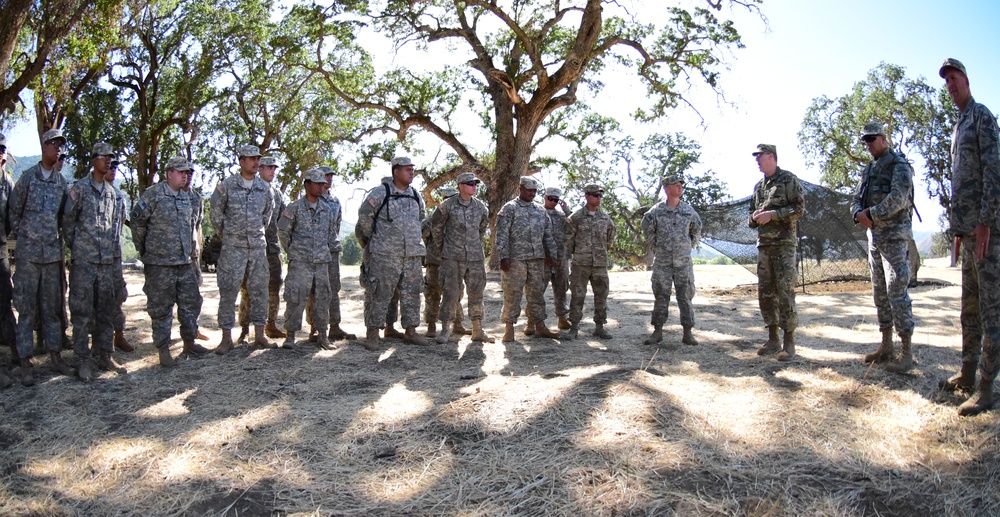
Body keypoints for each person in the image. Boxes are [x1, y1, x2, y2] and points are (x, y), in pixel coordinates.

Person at [937, 58, 1000, 416]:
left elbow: (994, 170)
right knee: (969, 311)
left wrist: (986, 223)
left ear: (967, 80)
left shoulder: (982, 117)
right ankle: (967, 373)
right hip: (968, 233)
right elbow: (960, 185)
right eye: (946, 81)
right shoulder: (959, 125)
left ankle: (987, 388)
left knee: (992, 314)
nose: (951, 84)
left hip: (988, 236)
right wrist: (959, 231)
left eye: (955, 78)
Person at [130, 156, 211, 366]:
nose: (185, 176)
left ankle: (189, 342)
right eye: (181, 172)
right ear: (169, 173)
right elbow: (137, 222)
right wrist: (146, 249)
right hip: (159, 264)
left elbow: (193, 226)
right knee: (161, 308)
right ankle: (163, 349)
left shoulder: (187, 198)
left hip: (184, 262)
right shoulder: (154, 195)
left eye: (187, 172)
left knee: (190, 304)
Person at [8, 128, 72, 386]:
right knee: (25, 310)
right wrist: (25, 238)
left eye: (60, 145)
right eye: (53, 144)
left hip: (51, 257)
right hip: (28, 258)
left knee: (52, 309)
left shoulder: (61, 183)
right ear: (43, 146)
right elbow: (14, 212)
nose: (58, 149)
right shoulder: (27, 178)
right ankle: (25, 362)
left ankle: (55, 357)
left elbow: (64, 218)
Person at [851, 122, 916, 372]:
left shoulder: (899, 166)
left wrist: (872, 214)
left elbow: (898, 199)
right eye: (865, 140)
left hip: (894, 238)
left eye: (872, 139)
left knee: (896, 291)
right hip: (874, 240)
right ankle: (886, 346)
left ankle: (907, 353)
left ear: (884, 139)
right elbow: (856, 198)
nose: (868, 144)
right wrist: (857, 213)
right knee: (880, 293)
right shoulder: (868, 170)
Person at [62, 142, 127, 381]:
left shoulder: (112, 193)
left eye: (111, 157)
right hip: (84, 263)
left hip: (105, 264)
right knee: (82, 312)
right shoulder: (79, 189)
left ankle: (104, 354)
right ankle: (82, 360)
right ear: (93, 160)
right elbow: (68, 225)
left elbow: (113, 229)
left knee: (105, 311)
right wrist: (80, 249)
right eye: (103, 157)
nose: (108, 161)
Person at [355, 157, 428, 350]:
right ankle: (373, 334)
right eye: (407, 169)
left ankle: (410, 331)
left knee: (412, 293)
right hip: (384, 255)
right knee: (379, 293)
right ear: (396, 171)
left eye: (413, 169)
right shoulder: (381, 193)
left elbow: (421, 218)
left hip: (412, 255)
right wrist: (377, 239)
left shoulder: (415, 195)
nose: (411, 172)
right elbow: (364, 217)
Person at [209, 144, 275, 354]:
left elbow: (267, 217)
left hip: (257, 248)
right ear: (241, 161)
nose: (256, 162)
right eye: (251, 158)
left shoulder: (264, 189)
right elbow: (216, 215)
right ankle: (226, 338)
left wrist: (254, 235)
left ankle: (260, 335)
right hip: (233, 248)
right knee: (228, 291)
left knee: (259, 291)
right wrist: (229, 235)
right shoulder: (227, 186)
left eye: (257, 158)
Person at [748, 143, 805, 361]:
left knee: (785, 291)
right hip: (764, 246)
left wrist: (773, 215)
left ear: (771, 156)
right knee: (766, 292)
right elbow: (750, 216)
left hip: (784, 245)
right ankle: (773, 339)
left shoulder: (789, 180)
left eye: (759, 156)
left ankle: (789, 342)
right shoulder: (758, 187)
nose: (757, 160)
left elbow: (798, 209)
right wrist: (755, 217)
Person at [277, 168, 339, 350]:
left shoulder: (327, 209)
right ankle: (290, 336)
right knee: (295, 298)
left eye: (323, 184)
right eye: (317, 184)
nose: (321, 187)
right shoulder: (294, 208)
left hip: (321, 263)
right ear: (307, 185)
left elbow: (330, 234)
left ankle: (322, 336)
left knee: (322, 299)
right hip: (300, 262)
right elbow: (283, 232)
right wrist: (294, 252)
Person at [430, 172, 494, 344]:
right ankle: (445, 329)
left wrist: (474, 244)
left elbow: (482, 229)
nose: (474, 186)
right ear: (460, 185)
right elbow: (436, 227)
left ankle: (477, 329)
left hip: (475, 258)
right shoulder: (446, 206)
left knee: (477, 293)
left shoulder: (481, 207)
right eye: (470, 183)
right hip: (452, 257)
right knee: (451, 294)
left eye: (475, 183)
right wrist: (443, 248)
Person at [640, 175, 703, 346]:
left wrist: (687, 245)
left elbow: (696, 229)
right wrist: (658, 247)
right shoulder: (656, 211)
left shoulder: (689, 211)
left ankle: (688, 333)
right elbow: (647, 230)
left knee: (685, 297)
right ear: (666, 188)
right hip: (663, 262)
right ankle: (658, 331)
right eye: (675, 185)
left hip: (683, 263)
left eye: (681, 185)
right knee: (661, 296)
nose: (679, 188)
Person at [495, 176, 559, 342]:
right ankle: (509, 329)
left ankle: (540, 326)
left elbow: (548, 235)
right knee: (512, 294)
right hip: (515, 260)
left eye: (534, 191)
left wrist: (552, 254)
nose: (532, 193)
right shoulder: (509, 208)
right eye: (529, 190)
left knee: (537, 294)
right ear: (520, 189)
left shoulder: (540, 210)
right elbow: (502, 235)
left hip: (537, 259)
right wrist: (503, 256)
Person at [237, 155, 286, 341]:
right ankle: (244, 329)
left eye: (274, 168)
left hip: (271, 248)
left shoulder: (278, 194)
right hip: (252, 248)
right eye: (268, 167)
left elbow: (284, 221)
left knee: (274, 286)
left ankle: (271, 325)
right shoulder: (251, 190)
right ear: (260, 169)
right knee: (248, 288)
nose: (272, 171)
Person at [305, 165, 355, 342]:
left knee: (333, 288)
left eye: (331, 175)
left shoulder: (334, 201)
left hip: (332, 251)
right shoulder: (310, 200)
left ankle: (334, 326)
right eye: (326, 175)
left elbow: (337, 224)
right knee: (315, 289)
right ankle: (315, 327)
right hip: (314, 251)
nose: (329, 178)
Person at [563, 184, 617, 339]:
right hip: (581, 263)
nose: (598, 198)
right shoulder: (576, 217)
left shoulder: (606, 218)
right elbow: (568, 239)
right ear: (587, 196)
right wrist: (579, 252)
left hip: (599, 264)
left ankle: (599, 326)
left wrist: (600, 252)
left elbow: (610, 238)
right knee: (577, 295)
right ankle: (574, 328)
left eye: (600, 196)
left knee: (601, 295)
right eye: (595, 195)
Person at [422, 187, 467, 338]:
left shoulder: (461, 217)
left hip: (455, 262)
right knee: (432, 294)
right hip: (435, 263)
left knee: (456, 294)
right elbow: (421, 235)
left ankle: (458, 324)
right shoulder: (432, 218)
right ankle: (431, 326)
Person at [103, 155, 135, 353]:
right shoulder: (85, 190)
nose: (113, 169)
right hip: (92, 256)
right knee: (93, 299)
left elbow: (121, 224)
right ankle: (97, 342)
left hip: (114, 255)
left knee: (117, 296)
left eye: (116, 166)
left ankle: (118, 336)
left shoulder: (120, 196)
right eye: (110, 165)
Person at [542, 187, 572, 331]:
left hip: (561, 258)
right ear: (544, 197)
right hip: (543, 259)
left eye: (556, 200)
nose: (553, 202)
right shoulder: (537, 213)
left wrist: (567, 210)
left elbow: (575, 225)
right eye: (550, 198)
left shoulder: (561, 216)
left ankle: (562, 318)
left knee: (561, 289)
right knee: (537, 291)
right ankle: (533, 321)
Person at [0, 135, 14, 388]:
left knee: (3, 301)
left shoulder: (6, 182)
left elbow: (11, 217)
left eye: (2, 148)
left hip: (0, 249)